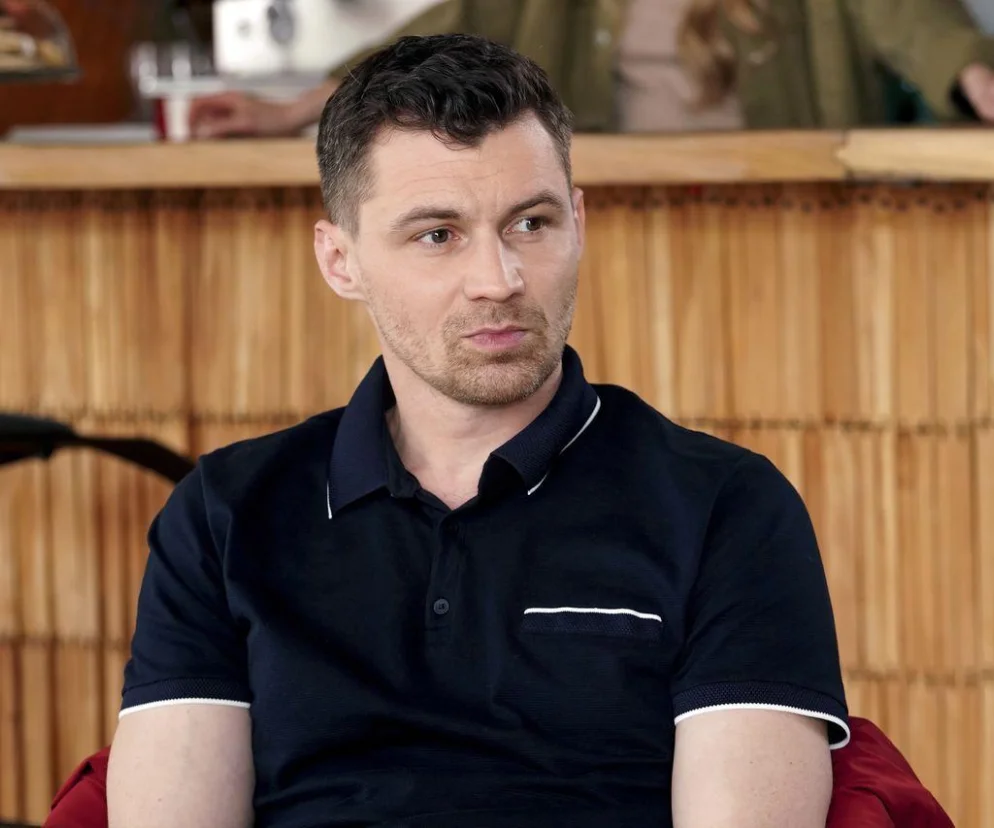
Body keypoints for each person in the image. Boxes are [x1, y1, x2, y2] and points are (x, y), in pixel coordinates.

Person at [108, 33, 850, 828]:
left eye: (531, 223)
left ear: (578, 223)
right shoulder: (223, 514)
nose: (499, 280)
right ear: (340, 261)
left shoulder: (725, 508)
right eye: (438, 234)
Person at [189, 0, 994, 138]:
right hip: (618, 226)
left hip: (789, 217)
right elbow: (434, 43)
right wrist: (293, 110)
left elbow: (912, 19)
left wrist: (973, 74)